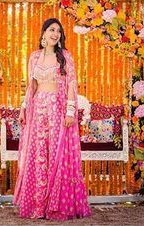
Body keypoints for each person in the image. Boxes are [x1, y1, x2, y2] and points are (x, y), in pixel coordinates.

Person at [13, 18, 91, 220]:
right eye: (51, 30)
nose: (55, 34)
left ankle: (56, 205)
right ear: (44, 33)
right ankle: (39, 205)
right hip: (37, 109)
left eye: (58, 31)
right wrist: (23, 108)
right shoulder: (34, 57)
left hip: (57, 109)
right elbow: (32, 86)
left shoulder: (65, 56)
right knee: (39, 155)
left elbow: (72, 85)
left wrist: (70, 111)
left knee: (56, 155)